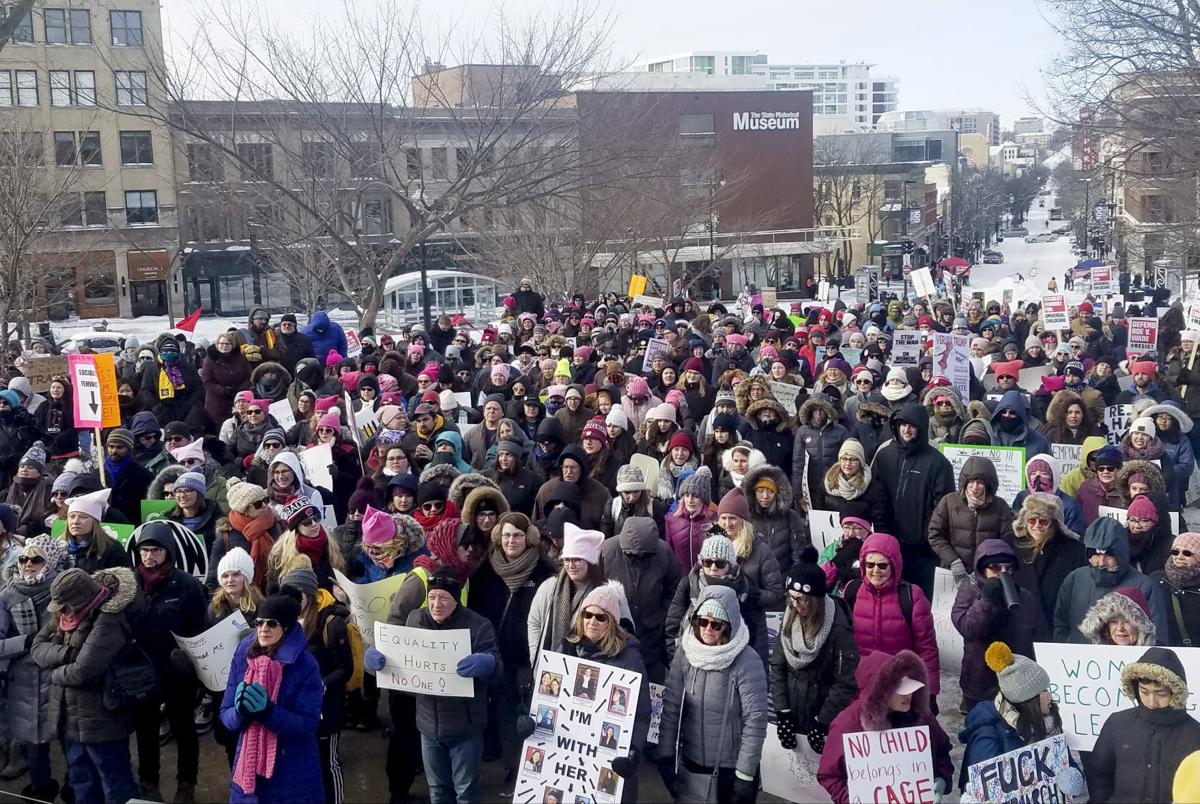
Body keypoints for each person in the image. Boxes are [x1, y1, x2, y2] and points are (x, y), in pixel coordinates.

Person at [366, 569, 502, 804]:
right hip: (428, 726)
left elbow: (497, 670)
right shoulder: (415, 619)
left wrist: (488, 663)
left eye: (444, 598)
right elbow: (395, 657)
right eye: (432, 598)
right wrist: (373, 663)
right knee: (437, 790)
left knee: (466, 791)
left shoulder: (478, 626)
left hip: (465, 727)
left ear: (456, 599)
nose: (436, 604)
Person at [32, 566, 142, 804]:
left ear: (79, 599)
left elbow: (83, 671)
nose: (61, 611)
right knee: (82, 784)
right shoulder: (64, 614)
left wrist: (52, 674)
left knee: (115, 786)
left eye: (65, 605)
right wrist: (69, 655)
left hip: (102, 722)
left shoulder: (108, 618)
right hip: (68, 720)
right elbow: (37, 647)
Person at [467, 511, 555, 792]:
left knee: (534, 713)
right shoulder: (486, 569)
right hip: (499, 654)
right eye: (506, 535)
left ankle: (540, 767)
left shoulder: (544, 570)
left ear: (527, 538)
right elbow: (476, 609)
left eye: (517, 535)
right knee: (505, 711)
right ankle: (514, 769)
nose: (511, 541)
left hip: (532, 656)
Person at [657, 585, 768, 804]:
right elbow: (672, 705)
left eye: (716, 624)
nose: (708, 629)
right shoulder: (685, 653)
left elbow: (755, 720)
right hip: (691, 764)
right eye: (702, 622)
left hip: (730, 769)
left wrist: (745, 775)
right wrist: (666, 754)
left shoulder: (747, 660)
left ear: (728, 626)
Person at [221, 588, 325, 803]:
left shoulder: (306, 665)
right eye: (259, 622)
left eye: (272, 623)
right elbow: (226, 714)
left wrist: (269, 712)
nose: (263, 629)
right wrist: (241, 713)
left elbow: (309, 723)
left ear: (286, 628)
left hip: (292, 770)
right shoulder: (243, 654)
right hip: (248, 770)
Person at [129, 521, 208, 803]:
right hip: (140, 668)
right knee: (145, 730)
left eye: (156, 550)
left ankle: (186, 784)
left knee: (183, 728)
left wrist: (196, 672)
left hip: (176, 669)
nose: (149, 557)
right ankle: (148, 782)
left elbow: (199, 629)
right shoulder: (129, 583)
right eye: (144, 550)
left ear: (169, 553)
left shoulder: (186, 585)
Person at [554, 581, 651, 802]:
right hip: (569, 759)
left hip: (611, 763)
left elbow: (642, 712)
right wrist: (532, 718)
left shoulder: (629, 658)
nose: (592, 622)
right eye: (587, 615)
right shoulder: (566, 649)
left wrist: (633, 750)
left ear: (613, 622)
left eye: (601, 617)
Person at [817, 649, 954, 804]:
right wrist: (854, 800)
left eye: (910, 686)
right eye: (900, 690)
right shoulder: (847, 724)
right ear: (881, 693)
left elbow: (943, 751)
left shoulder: (922, 717)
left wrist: (940, 779)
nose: (908, 695)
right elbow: (828, 775)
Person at [769, 552, 860, 760]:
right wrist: (782, 711)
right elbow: (777, 666)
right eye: (791, 598)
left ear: (816, 600)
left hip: (824, 713)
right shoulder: (789, 618)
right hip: (793, 707)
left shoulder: (838, 628)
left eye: (801, 600)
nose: (795, 605)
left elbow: (846, 682)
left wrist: (822, 721)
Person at [279, 565, 355, 804]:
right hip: (296, 710)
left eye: (298, 595)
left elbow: (345, 669)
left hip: (327, 709)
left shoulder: (331, 623)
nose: (292, 601)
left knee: (328, 763)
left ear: (310, 595)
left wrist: (320, 686)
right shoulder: (284, 623)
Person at [1087, 647, 1200, 802]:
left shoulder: (1195, 734)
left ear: (1176, 693)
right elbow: (1099, 773)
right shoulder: (1117, 723)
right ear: (1135, 687)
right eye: (1144, 691)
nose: (1151, 702)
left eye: (1160, 694)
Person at [0, 535, 66, 800]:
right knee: (34, 742)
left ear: (49, 563)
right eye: (25, 559)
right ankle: (41, 789)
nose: (28, 564)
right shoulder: (7, 595)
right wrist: (27, 642)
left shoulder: (63, 591)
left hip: (58, 673)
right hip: (24, 679)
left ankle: (76, 790)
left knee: (70, 739)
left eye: (36, 559)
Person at [951, 540, 1047, 711]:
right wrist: (987, 599)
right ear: (982, 570)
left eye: (1008, 568)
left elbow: (1039, 637)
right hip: (979, 682)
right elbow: (969, 629)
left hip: (1017, 684)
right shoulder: (968, 595)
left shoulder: (1025, 598)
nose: (1003, 573)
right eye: (995, 568)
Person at [958, 642, 1065, 794]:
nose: (1050, 696)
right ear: (1029, 700)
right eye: (1044, 690)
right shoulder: (989, 735)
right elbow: (982, 789)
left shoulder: (1048, 722)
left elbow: (1065, 762)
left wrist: (1071, 776)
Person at [870, 404, 955, 596]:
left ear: (921, 428)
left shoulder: (938, 463)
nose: (906, 430)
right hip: (888, 545)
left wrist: (926, 537)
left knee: (918, 601)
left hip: (922, 551)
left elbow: (943, 507)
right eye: (903, 425)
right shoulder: (884, 456)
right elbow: (874, 495)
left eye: (912, 426)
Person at [843, 532, 940, 699]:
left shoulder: (912, 597)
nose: (875, 571)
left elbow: (927, 649)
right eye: (870, 564)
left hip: (901, 683)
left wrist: (929, 692)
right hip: (861, 684)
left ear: (894, 565)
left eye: (882, 566)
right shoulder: (852, 591)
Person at [1054, 517, 1169, 643]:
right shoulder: (1075, 579)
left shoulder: (1144, 586)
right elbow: (1061, 625)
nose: (1101, 562)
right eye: (1096, 554)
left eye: (1109, 555)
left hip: (1126, 661)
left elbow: (1156, 636)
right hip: (1079, 660)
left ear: (1121, 554)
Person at [599, 516, 681, 682]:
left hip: (651, 629)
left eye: (645, 556)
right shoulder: (606, 551)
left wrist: (662, 614)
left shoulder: (664, 553)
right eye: (633, 556)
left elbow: (675, 588)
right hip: (614, 629)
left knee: (649, 678)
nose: (639, 559)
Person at [927, 456, 1016, 586]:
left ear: (988, 484)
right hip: (953, 573)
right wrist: (953, 561)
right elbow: (935, 534)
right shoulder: (949, 502)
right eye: (971, 481)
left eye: (980, 482)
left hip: (989, 574)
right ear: (965, 482)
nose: (975, 487)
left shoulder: (1000, 506)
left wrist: (986, 564)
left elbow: (1007, 540)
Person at [527, 522, 605, 663]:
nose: (571, 565)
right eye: (567, 560)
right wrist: (536, 658)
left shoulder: (605, 594)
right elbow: (534, 621)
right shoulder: (549, 587)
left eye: (576, 560)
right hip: (549, 667)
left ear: (589, 562)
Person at [743, 462, 808, 572]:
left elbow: (798, 553)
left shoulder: (790, 516)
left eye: (770, 491)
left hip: (782, 577)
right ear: (753, 493)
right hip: (751, 580)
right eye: (760, 491)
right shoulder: (746, 517)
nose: (765, 496)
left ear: (778, 493)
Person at [820, 438, 891, 532]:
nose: (848, 463)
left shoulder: (874, 489)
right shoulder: (827, 483)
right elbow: (819, 514)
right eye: (844, 459)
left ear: (861, 462)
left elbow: (880, 522)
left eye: (853, 459)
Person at [1153, 531, 1200, 647]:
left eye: (1187, 553)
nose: (1179, 556)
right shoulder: (1156, 579)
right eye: (1175, 551)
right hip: (1163, 650)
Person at [1080, 586, 1157, 645]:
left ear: (1141, 627)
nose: (1120, 628)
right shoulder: (1093, 658)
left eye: (1127, 621)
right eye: (1114, 622)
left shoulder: (1158, 658)